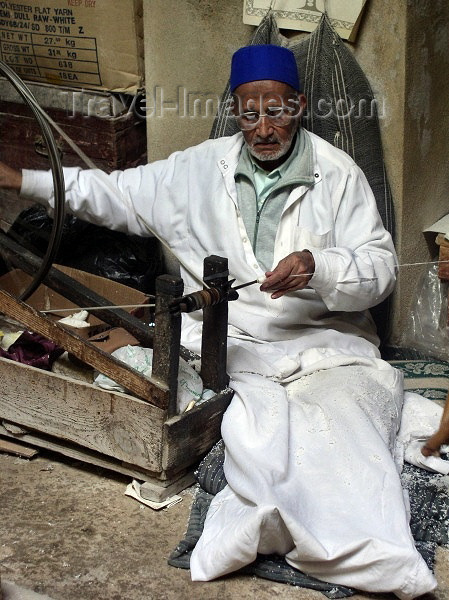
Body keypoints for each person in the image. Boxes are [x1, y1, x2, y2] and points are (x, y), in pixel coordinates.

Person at [0, 45, 437, 597]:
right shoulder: (201, 167)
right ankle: (274, 521)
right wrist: (21, 180)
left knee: (348, 437)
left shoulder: (337, 174)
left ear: (298, 106)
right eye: (249, 114)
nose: (262, 128)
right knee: (258, 441)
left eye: (275, 111)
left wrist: (318, 266)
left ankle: (374, 554)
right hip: (231, 342)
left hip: (326, 343)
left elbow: (379, 269)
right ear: (236, 113)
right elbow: (112, 193)